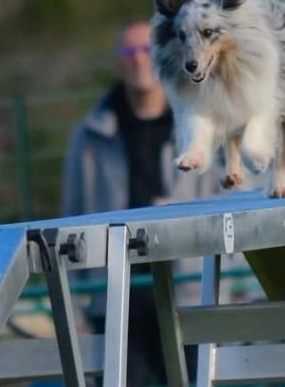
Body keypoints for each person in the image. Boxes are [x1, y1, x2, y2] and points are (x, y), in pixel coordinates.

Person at [62, 20, 219, 385]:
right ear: (118, 62)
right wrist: (73, 313)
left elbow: (231, 209)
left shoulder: (203, 127)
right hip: (115, 301)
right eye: (128, 52)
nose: (137, 60)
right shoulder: (90, 136)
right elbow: (68, 224)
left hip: (190, 297)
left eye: (146, 50)